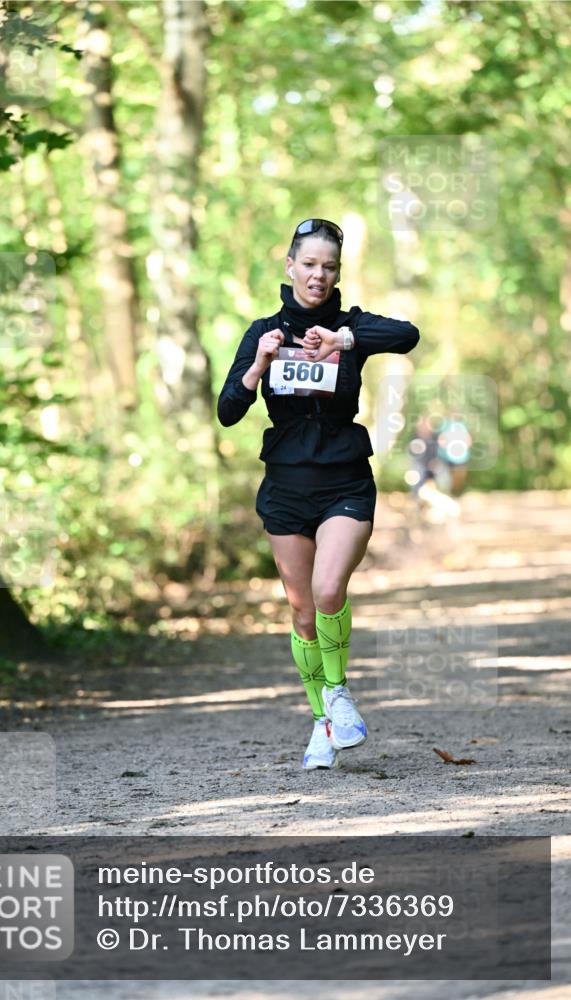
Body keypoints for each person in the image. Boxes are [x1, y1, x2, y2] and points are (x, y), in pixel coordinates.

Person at [217, 218, 420, 769]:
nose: (318, 275)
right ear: (290, 267)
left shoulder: (353, 327)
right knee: (302, 610)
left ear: (337, 272)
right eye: (309, 264)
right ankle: (323, 723)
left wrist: (343, 340)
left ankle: (339, 693)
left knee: (329, 590)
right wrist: (259, 363)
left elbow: (407, 334)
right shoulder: (265, 331)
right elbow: (228, 410)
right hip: (285, 486)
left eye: (329, 267)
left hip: (344, 479)